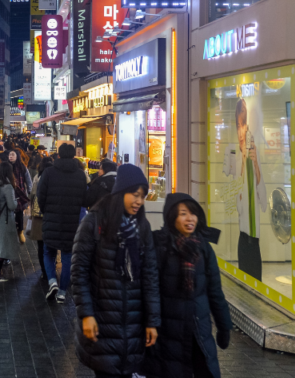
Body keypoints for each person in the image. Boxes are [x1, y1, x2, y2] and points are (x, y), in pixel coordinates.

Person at [71, 164, 160, 378]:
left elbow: (150, 275)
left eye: (142, 196)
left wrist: (152, 322)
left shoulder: (142, 227)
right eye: (134, 194)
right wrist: (86, 315)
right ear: (120, 191)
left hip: (133, 325)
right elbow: (79, 271)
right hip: (102, 322)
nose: (139, 201)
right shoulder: (94, 222)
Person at [144, 193, 231, 378]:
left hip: (198, 331)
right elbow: (150, 289)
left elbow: (215, 291)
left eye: (193, 213)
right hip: (168, 334)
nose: (190, 218)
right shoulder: (160, 246)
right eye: (183, 213)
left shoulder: (204, 248)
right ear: (171, 217)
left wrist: (224, 326)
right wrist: (149, 323)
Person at [37, 143, 90, 303]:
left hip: (51, 219)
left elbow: (41, 195)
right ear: (74, 156)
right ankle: (62, 292)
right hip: (71, 222)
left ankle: (52, 281)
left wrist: (47, 211)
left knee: (48, 252)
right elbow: (85, 200)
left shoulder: (48, 172)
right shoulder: (81, 175)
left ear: (58, 155)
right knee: (67, 256)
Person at [232, 98, 265, 281]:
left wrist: (256, 165)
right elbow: (238, 204)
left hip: (254, 239)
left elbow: (263, 201)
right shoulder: (237, 158)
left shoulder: (254, 155)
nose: (241, 130)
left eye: (244, 124)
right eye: (238, 124)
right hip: (242, 237)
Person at [28, 157, 54, 282]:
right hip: (52, 214)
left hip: (38, 215)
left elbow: (32, 194)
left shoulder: (37, 177)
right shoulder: (56, 177)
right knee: (51, 244)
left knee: (40, 244)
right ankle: (50, 269)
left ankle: (44, 271)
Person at [6, 149, 33, 241]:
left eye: (13, 154)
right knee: (9, 213)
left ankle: (20, 232)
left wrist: (30, 190)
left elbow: (28, 179)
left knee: (19, 213)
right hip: (8, 192)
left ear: (17, 156)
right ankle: (10, 232)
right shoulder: (6, 167)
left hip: (19, 193)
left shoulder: (22, 167)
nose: (11, 156)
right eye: (9, 154)